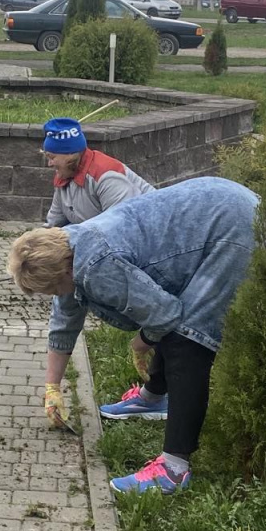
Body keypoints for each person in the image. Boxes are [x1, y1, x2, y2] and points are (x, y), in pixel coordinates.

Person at [8, 176, 259, 495]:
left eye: (52, 289)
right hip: (219, 209)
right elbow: (65, 318)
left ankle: (174, 470)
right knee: (175, 328)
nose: (56, 295)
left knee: (188, 338)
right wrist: (52, 387)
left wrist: (141, 343)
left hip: (233, 227)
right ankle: (154, 398)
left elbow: (164, 314)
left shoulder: (96, 264)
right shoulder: (67, 246)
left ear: (64, 273)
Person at [40, 117, 156, 428]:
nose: (48, 161)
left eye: (51, 155)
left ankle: (157, 387)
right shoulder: (63, 180)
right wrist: (38, 253)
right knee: (65, 297)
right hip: (99, 253)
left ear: (70, 154)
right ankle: (52, 390)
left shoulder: (106, 177)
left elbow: (128, 229)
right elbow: (54, 226)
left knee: (158, 316)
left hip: (148, 257)